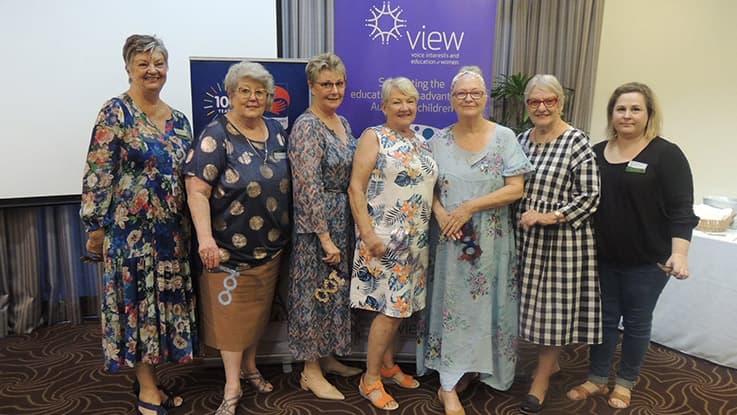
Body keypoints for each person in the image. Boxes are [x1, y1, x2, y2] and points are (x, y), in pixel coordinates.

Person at [80, 34, 196, 415]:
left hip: (171, 237)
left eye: (159, 63)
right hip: (130, 238)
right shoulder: (116, 112)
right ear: (128, 68)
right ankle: (147, 388)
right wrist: (95, 226)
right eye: (143, 63)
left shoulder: (179, 121)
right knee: (140, 311)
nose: (153, 70)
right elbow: (99, 169)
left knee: (162, 312)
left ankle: (152, 381)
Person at [566, 82, 698, 409]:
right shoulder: (595, 153)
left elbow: (682, 210)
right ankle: (597, 378)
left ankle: (625, 382)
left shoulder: (666, 154)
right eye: (621, 108)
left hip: (648, 262)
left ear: (649, 114)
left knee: (637, 322)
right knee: (604, 320)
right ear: (611, 114)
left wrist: (679, 253)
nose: (627, 115)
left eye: (635, 109)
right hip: (603, 259)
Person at [416, 66, 534, 415]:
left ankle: (473, 369)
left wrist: (470, 206)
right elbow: (426, 187)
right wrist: (439, 212)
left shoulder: (505, 138)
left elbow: (516, 188)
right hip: (449, 241)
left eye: (475, 93)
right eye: (461, 93)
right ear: (452, 99)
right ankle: (448, 384)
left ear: (484, 98)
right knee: (453, 311)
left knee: (484, 310)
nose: (468, 98)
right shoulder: (437, 141)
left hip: (491, 242)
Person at [184, 61, 291, 415]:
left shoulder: (277, 131)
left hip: (270, 247)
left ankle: (250, 367)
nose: (253, 97)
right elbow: (196, 190)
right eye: (244, 90)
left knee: (256, 317)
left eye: (260, 91)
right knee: (232, 322)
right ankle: (232, 385)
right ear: (230, 95)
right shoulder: (217, 134)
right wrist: (205, 240)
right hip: (229, 250)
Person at [348, 77, 438, 411]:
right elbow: (355, 189)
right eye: (397, 102)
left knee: (399, 309)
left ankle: (386, 366)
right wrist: (369, 235)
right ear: (384, 106)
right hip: (384, 241)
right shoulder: (374, 137)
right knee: (390, 311)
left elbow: (429, 189)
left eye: (410, 101)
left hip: (415, 243)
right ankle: (370, 378)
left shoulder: (421, 141)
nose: (404, 107)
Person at [516, 74, 602, 414]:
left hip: (561, 242)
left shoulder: (576, 141)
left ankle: (541, 379)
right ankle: (546, 365)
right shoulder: (522, 140)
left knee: (551, 314)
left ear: (560, 103)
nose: (541, 107)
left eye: (548, 101)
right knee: (528, 311)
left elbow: (591, 196)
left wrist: (550, 216)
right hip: (525, 240)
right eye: (534, 102)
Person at [287, 52, 362, 401]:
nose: (334, 90)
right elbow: (307, 186)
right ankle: (310, 370)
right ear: (312, 87)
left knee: (333, 291)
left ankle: (328, 357)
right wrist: (325, 237)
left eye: (339, 83)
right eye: (326, 84)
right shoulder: (307, 126)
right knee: (313, 295)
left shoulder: (343, 123)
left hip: (342, 218)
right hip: (316, 227)